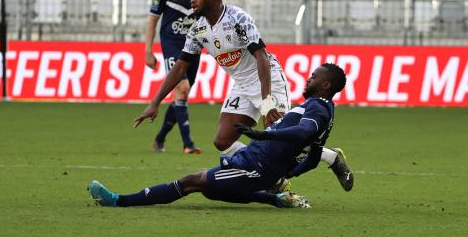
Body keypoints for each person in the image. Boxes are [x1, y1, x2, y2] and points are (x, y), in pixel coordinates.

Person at [134, 0, 353, 192]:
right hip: (241, 84)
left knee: (283, 139)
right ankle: (272, 178)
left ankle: (330, 156)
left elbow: (262, 57)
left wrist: (267, 102)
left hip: (268, 79)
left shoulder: (237, 18)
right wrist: (155, 103)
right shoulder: (197, 29)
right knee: (223, 141)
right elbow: (180, 66)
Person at [89, 63, 348, 209]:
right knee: (211, 192)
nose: (308, 77)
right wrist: (289, 174)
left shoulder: (317, 108)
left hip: (255, 167)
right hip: (253, 161)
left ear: (325, 85)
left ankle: (117, 201)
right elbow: (313, 155)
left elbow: (305, 131)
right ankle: (276, 198)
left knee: (192, 182)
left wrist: (264, 136)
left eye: (314, 76)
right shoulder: (323, 111)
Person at [145, 0, 201, 154]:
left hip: (194, 47)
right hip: (171, 46)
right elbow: (152, 20)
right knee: (182, 88)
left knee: (181, 96)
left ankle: (159, 139)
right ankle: (188, 143)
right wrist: (148, 51)